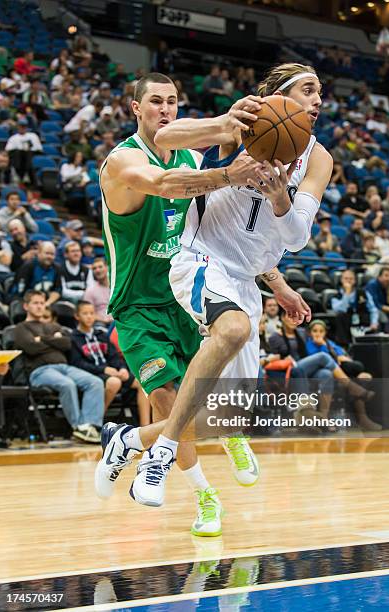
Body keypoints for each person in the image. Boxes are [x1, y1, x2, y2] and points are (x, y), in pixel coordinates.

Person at [94, 70, 311, 528]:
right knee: (172, 405)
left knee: (218, 400)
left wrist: (278, 284)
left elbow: (229, 239)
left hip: (190, 291)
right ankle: (204, 497)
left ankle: (160, 438)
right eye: (155, 101)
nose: (165, 110)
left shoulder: (194, 157)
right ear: (136, 108)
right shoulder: (120, 162)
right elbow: (166, 184)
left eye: (172, 101)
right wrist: (228, 171)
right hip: (139, 306)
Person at [14, 290, 104, 443]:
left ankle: (90, 426)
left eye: (42, 303)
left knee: (96, 382)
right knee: (67, 384)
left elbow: (67, 344)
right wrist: (54, 341)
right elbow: (31, 347)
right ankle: (79, 428)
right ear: (26, 306)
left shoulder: (54, 325)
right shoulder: (21, 328)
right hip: (40, 371)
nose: (39, 306)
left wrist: (41, 339)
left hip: (64, 367)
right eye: (35, 303)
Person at [70, 301, 150, 424]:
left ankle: (146, 426)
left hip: (111, 372)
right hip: (93, 374)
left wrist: (122, 368)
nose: (89, 316)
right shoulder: (74, 338)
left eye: (92, 313)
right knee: (114, 382)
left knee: (142, 383)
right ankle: (95, 422)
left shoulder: (101, 335)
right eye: (85, 313)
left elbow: (114, 356)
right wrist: (104, 370)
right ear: (77, 316)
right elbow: (78, 363)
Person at [305, 319, 380, 430]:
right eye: (315, 331)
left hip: (340, 373)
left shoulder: (330, 343)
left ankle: (363, 419)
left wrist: (358, 371)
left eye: (321, 331)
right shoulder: (309, 345)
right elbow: (324, 361)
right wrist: (324, 347)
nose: (318, 334)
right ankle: (359, 412)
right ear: (310, 333)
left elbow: (344, 357)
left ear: (325, 332)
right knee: (348, 380)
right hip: (322, 374)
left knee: (359, 376)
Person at [331, 269, 379, 343]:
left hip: (363, 324)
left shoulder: (363, 293)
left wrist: (374, 322)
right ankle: (345, 347)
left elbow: (373, 309)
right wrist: (347, 293)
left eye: (351, 279)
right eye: (346, 278)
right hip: (346, 325)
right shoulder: (336, 296)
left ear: (355, 281)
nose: (348, 281)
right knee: (339, 316)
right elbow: (341, 310)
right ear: (341, 280)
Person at [13, 241, 61, 305]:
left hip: (46, 302)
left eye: (52, 254)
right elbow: (20, 292)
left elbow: (57, 290)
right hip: (25, 301)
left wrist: (47, 303)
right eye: (47, 253)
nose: (49, 257)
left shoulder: (57, 268)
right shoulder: (28, 267)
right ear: (39, 253)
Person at [4, 118, 42, 183]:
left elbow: (39, 148)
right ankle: (19, 174)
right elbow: (8, 149)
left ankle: (25, 174)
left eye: (24, 126)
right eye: (21, 126)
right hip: (18, 156)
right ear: (18, 126)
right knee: (17, 153)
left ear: (27, 127)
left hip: (30, 154)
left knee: (27, 153)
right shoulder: (13, 138)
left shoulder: (33, 136)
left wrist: (28, 149)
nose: (22, 128)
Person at [83, 257, 113, 324]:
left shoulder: (116, 287)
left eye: (100, 267)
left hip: (119, 322)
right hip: (101, 324)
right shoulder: (90, 291)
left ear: (107, 267)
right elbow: (86, 312)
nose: (97, 270)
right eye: (94, 268)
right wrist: (105, 320)